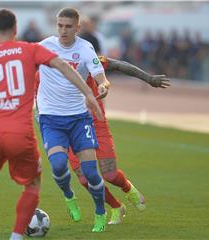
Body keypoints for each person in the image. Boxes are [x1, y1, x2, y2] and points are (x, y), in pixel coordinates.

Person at [0, 9, 103, 240]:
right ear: (15, 29)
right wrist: (89, 94)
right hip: (19, 134)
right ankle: (16, 236)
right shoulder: (29, 50)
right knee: (32, 184)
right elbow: (63, 66)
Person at [67, 55, 170, 225]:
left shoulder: (88, 58)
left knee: (110, 175)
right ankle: (116, 207)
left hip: (96, 125)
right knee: (85, 180)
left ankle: (128, 188)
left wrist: (149, 78)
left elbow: (120, 65)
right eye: (61, 26)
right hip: (70, 128)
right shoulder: (52, 60)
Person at [37, 7, 110, 233]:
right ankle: (69, 196)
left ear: (77, 28)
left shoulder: (86, 48)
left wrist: (103, 85)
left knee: (90, 173)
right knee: (58, 165)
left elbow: (101, 77)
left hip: (79, 119)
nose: (63, 30)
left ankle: (100, 212)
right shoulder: (44, 47)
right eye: (60, 25)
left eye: (68, 26)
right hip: (51, 118)